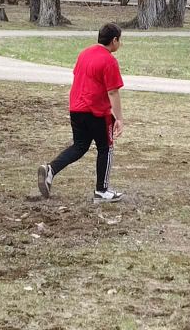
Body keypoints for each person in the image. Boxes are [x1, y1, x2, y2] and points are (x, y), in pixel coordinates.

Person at [37, 23, 126, 204]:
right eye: (120, 40)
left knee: (80, 146)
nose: (120, 44)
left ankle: (50, 170)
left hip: (76, 108)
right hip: (96, 112)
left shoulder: (84, 54)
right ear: (114, 40)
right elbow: (112, 92)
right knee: (106, 148)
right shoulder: (109, 61)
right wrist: (119, 118)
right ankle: (102, 191)